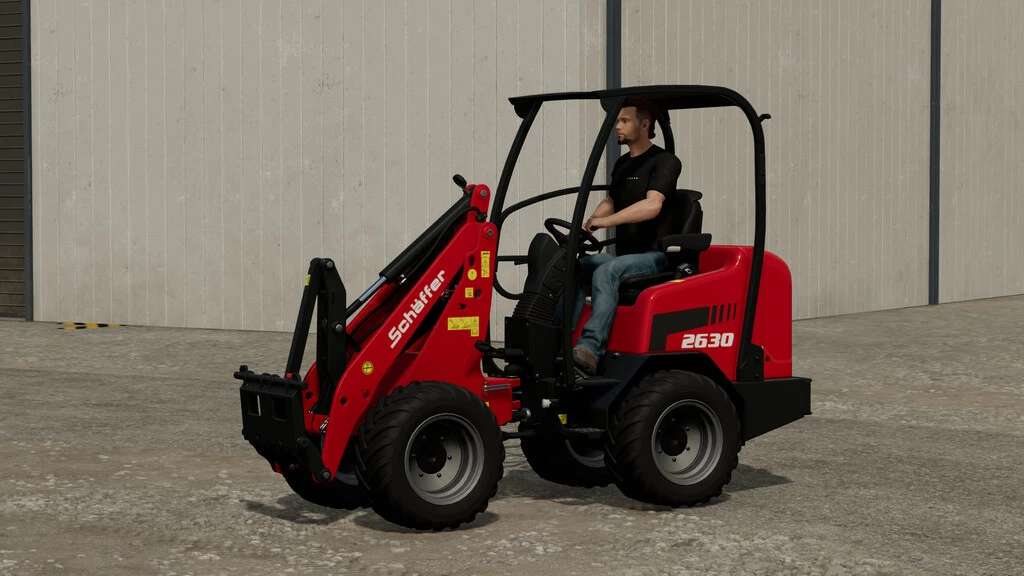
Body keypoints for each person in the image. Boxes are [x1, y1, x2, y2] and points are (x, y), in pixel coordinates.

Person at [570, 98, 682, 375]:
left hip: (655, 256)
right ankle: (561, 340)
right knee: (577, 267)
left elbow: (652, 205)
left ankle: (590, 348)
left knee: (607, 271)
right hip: (625, 256)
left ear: (644, 124)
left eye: (624, 120)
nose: (617, 126)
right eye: (617, 121)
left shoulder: (665, 161)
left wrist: (606, 221)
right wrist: (589, 223)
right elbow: (612, 200)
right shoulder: (623, 164)